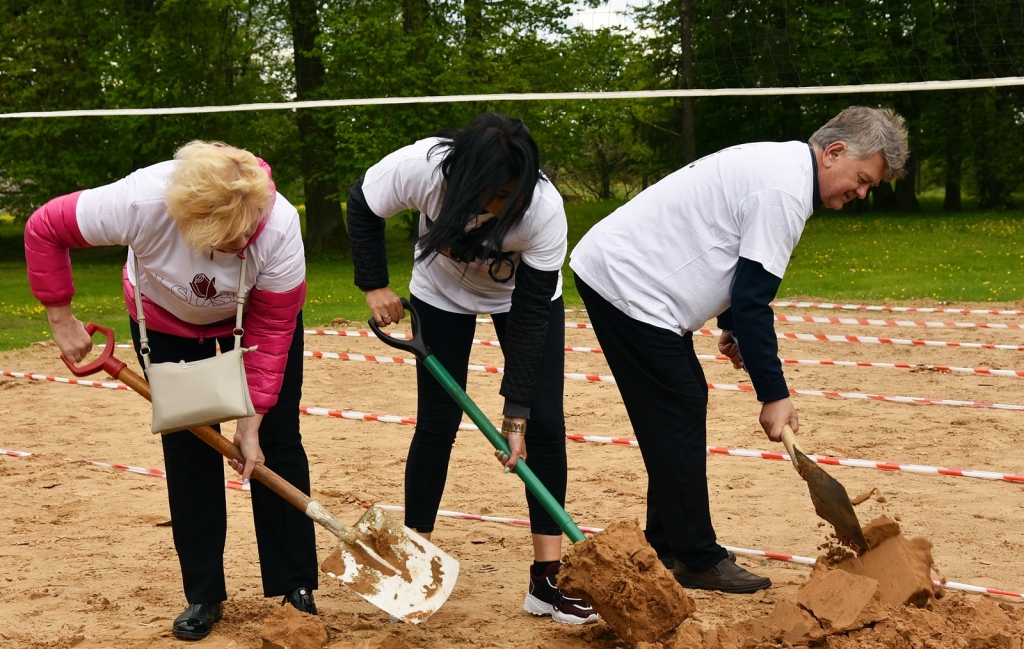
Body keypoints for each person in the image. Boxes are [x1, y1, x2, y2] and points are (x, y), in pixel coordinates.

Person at [569, 106, 909, 594]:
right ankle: (694, 556)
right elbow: (753, 301)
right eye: (861, 179)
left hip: (629, 279)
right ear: (833, 152)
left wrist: (729, 324)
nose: (860, 193)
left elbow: (733, 256)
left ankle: (669, 544)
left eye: (868, 187)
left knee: (679, 407)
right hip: (629, 284)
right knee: (681, 403)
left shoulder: (784, 169)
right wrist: (773, 396)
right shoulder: (785, 193)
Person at [23, 142, 318, 640]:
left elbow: (272, 333)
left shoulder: (282, 227)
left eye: (246, 233)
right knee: (189, 448)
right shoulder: (139, 201)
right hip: (165, 324)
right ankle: (204, 593)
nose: (241, 243)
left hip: (254, 326)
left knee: (276, 443)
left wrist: (251, 423)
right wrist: (60, 314)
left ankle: (295, 586)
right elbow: (44, 228)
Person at [347, 112, 597, 624]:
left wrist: (516, 415)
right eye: (500, 195)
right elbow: (362, 203)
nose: (511, 206)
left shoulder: (544, 210)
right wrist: (374, 283)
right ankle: (413, 566)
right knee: (437, 424)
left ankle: (546, 583)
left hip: (522, 301)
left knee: (546, 426)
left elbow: (531, 320)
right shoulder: (418, 169)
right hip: (439, 295)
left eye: (517, 194)